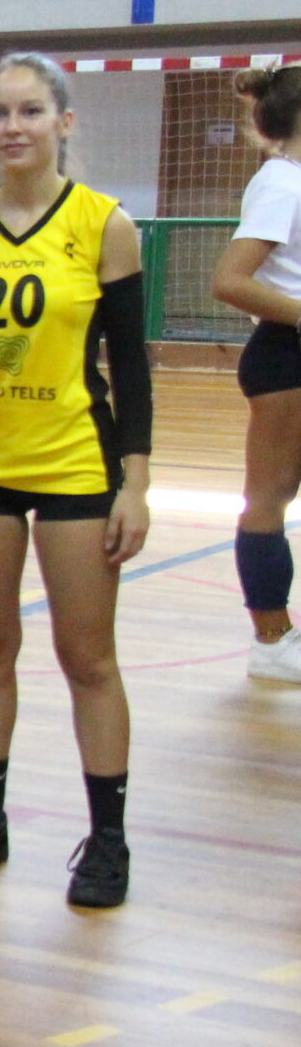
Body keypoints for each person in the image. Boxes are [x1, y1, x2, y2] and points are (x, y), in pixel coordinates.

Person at [0, 54, 149, 910]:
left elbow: (130, 363)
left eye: (29, 111)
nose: (11, 126)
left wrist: (137, 478)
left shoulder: (104, 225)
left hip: (73, 462)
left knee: (87, 656)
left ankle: (110, 836)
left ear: (64, 121)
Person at [212, 62, 301, 683]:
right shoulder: (282, 183)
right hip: (286, 357)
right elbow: (230, 280)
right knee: (268, 496)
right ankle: (271, 640)